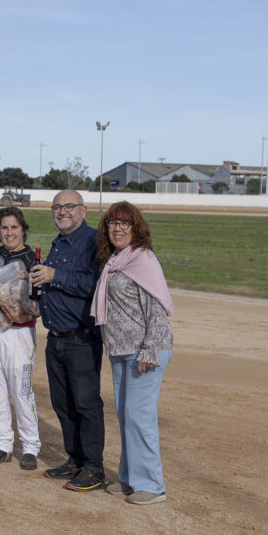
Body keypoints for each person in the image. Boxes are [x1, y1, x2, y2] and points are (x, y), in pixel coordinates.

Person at [91, 202, 174, 505]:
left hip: (145, 350)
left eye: (125, 223)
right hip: (121, 350)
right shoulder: (115, 260)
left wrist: (148, 350)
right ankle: (129, 479)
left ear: (136, 228)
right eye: (113, 222)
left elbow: (156, 310)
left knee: (140, 417)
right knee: (127, 416)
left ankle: (152, 486)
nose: (118, 228)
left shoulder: (142, 260)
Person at [30, 189, 106, 491]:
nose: (62, 211)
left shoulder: (94, 242)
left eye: (69, 206)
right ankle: (75, 459)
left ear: (83, 210)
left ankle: (94, 468)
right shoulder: (59, 242)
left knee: (87, 405)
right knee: (63, 404)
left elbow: (95, 285)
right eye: (57, 207)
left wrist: (54, 275)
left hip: (82, 338)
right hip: (56, 338)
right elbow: (52, 281)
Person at [0, 207, 40, 470]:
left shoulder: (33, 258)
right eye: (4, 228)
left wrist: (22, 308)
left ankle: (30, 447)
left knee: (22, 391)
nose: (9, 233)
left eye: (14, 227)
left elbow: (37, 301)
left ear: (23, 229)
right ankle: (2, 444)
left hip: (19, 333)